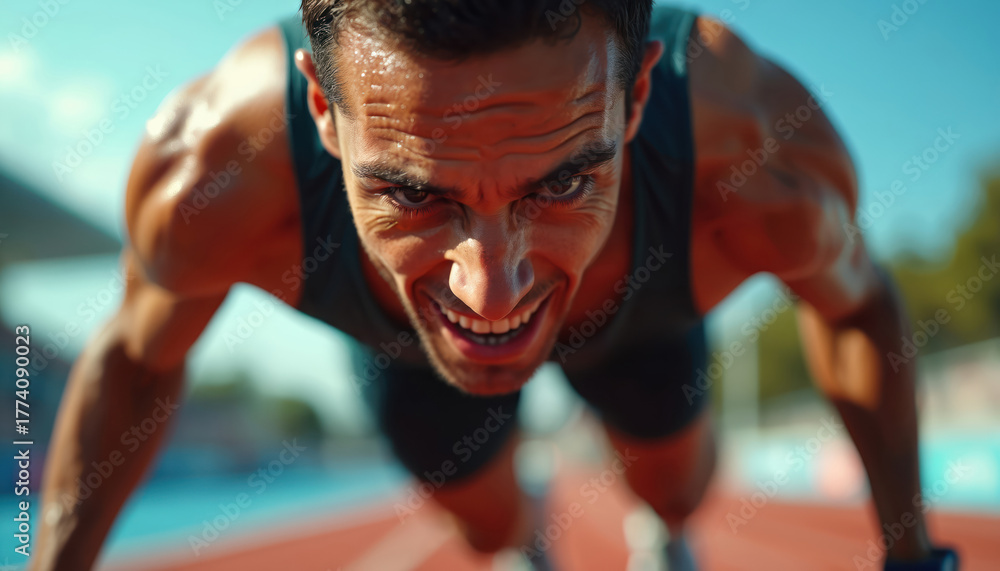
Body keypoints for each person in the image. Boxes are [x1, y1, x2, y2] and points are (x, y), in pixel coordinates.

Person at [32, 1, 958, 569]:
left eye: (562, 182)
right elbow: (136, 353)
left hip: (641, 322)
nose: (489, 291)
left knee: (677, 491)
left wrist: (911, 556)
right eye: (409, 191)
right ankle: (528, 540)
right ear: (322, 109)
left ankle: (659, 529)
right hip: (405, 353)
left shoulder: (758, 148)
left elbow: (859, 306)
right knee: (487, 531)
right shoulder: (212, 171)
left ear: (636, 98)